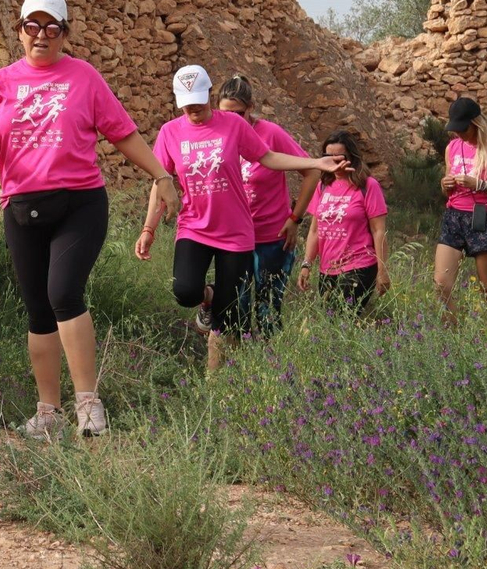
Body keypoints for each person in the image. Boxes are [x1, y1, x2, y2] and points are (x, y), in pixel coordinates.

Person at [0, 0, 181, 439]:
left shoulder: (84, 77)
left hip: (79, 203)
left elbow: (123, 133)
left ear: (64, 34)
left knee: (63, 293)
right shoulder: (1, 82)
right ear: (19, 30)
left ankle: (88, 405)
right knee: (38, 310)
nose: (41, 36)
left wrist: (161, 175)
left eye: (51, 28)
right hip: (21, 208)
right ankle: (48, 414)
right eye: (33, 27)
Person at [135, 65, 344, 375]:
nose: (194, 111)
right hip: (194, 226)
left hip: (236, 233)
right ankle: (207, 297)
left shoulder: (232, 124)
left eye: (199, 103)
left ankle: (222, 379)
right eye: (187, 105)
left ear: (209, 95)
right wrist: (148, 228)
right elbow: (161, 180)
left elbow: (267, 157)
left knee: (230, 311)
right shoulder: (170, 132)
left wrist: (315, 162)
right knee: (185, 291)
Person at [215, 75, 317, 335]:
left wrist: (295, 219)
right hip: (233, 238)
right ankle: (236, 368)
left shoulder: (270, 134)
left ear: (251, 107)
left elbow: (312, 172)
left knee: (268, 310)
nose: (233, 120)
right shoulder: (216, 136)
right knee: (235, 308)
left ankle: (273, 368)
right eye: (226, 113)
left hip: (272, 237)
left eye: (239, 113)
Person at [434, 97, 487, 323]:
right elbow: (447, 188)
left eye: (463, 129)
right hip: (454, 217)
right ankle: (452, 337)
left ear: (476, 123)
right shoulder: (452, 147)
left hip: (485, 218)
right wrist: (445, 184)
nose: (459, 133)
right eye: (455, 129)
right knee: (441, 284)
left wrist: (480, 185)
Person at [295, 132, 390, 313]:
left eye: (339, 157)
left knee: (344, 317)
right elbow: (315, 230)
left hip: (359, 264)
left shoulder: (368, 185)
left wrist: (382, 270)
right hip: (327, 268)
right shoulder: (323, 185)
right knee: (332, 324)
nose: (333, 162)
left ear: (351, 157)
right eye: (328, 157)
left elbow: (379, 230)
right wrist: (307, 265)